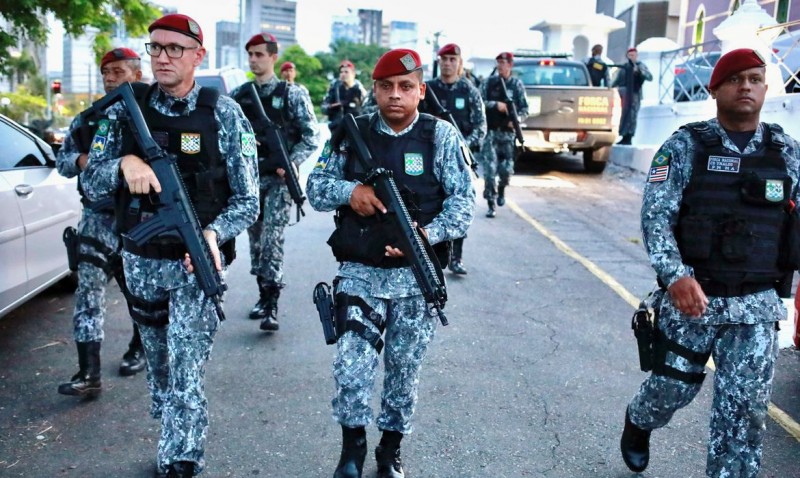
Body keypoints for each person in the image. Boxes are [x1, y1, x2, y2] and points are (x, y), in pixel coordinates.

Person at [81, 13, 259, 477]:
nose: (162, 57)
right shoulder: (125, 109)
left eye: (174, 49)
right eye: (155, 48)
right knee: (158, 362)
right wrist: (124, 163)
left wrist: (213, 234)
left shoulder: (223, 112)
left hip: (194, 263)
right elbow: (90, 183)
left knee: (185, 363)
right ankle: (172, 425)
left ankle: (182, 456)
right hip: (140, 261)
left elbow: (248, 200)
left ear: (198, 55)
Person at [620, 48, 800, 477]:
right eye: (736, 79)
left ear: (766, 88)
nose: (746, 87)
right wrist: (675, 276)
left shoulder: (786, 152)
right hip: (691, 302)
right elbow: (656, 216)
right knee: (669, 391)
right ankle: (638, 422)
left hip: (756, 307)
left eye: (755, 79)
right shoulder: (684, 146)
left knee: (743, 415)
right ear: (715, 88)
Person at [306, 48, 475, 478]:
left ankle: (390, 450)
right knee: (351, 364)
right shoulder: (352, 134)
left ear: (421, 90)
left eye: (405, 87)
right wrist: (351, 193)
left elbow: (462, 205)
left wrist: (425, 236)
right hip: (360, 271)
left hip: (415, 277)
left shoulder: (440, 137)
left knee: (403, 370)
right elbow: (317, 186)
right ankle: (352, 449)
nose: (394, 95)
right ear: (375, 91)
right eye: (386, 87)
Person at [55, 47, 147, 399]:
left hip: (139, 218)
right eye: (106, 72)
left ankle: (139, 348)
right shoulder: (88, 118)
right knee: (88, 291)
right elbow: (64, 161)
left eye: (118, 72)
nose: (110, 79)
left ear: (136, 75)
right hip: (97, 217)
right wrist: (84, 161)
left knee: (138, 291)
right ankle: (88, 371)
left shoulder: (150, 114)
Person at [229, 33, 320, 331]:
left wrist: (292, 161)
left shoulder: (292, 94)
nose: (254, 60)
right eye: (251, 54)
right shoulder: (240, 95)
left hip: (280, 180)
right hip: (252, 179)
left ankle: (272, 303)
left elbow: (311, 135)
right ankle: (261, 294)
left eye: (259, 54)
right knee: (255, 241)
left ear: (273, 57)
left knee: (272, 239)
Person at [418, 42, 486, 275]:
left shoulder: (469, 91)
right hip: (427, 156)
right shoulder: (428, 89)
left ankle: (456, 257)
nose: (448, 64)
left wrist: (462, 145)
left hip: (458, 159)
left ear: (460, 63)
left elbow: (481, 127)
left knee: (457, 203)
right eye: (444, 59)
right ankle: (428, 252)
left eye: (452, 59)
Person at [479, 51, 528, 218]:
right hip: (491, 133)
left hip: (507, 134)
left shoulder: (516, 85)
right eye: (498, 62)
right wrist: (495, 105)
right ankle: (491, 204)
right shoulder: (489, 83)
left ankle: (501, 189)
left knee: (506, 170)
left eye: (503, 63)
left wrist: (516, 120)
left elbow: (524, 109)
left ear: (510, 65)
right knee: (490, 171)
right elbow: (478, 102)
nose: (500, 66)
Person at [612, 47, 652, 145]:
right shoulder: (625, 67)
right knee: (625, 115)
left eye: (633, 55)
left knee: (632, 116)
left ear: (636, 56)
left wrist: (638, 71)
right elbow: (617, 80)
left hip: (635, 94)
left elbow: (649, 77)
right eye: (630, 55)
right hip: (625, 95)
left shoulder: (640, 66)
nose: (631, 57)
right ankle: (624, 135)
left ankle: (629, 136)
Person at [322, 60, 368, 132]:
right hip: (336, 130)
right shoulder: (334, 88)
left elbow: (368, 110)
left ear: (353, 74)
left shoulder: (359, 89)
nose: (343, 74)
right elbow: (323, 108)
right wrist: (333, 107)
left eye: (346, 72)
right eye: (341, 72)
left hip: (356, 129)